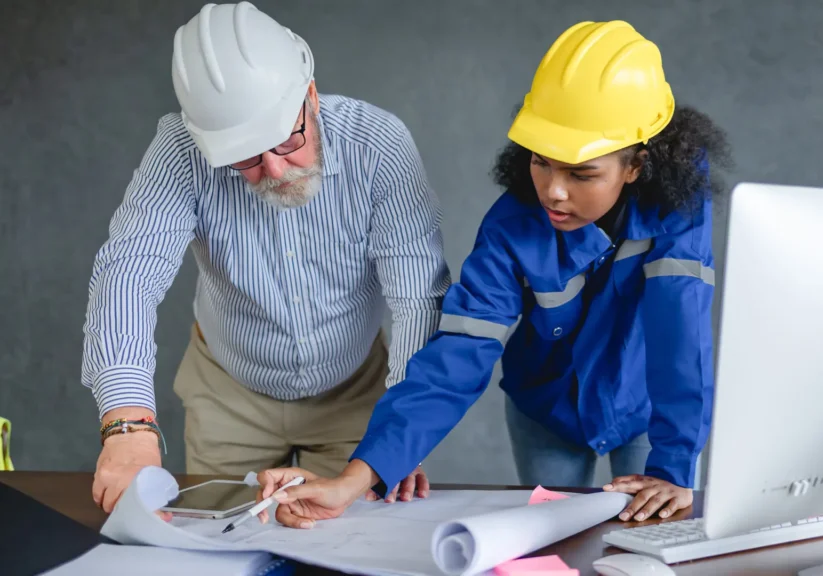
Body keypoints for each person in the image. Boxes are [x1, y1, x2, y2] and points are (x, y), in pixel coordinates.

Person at [255, 19, 732, 527]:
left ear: (637, 164)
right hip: (545, 411)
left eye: (582, 173)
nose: (553, 191)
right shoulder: (510, 228)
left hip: (647, 408)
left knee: (654, 536)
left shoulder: (679, 211)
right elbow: (456, 359)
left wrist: (676, 467)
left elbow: (680, 337)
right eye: (542, 162)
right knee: (554, 542)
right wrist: (353, 481)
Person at [84, 2, 446, 514]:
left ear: (311, 94)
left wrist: (403, 434)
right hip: (228, 394)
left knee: (353, 545)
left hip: (357, 395)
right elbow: (128, 275)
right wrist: (128, 427)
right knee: (218, 545)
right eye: (246, 157)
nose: (275, 169)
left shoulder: (379, 146)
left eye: (286, 139)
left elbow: (417, 298)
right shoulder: (180, 152)